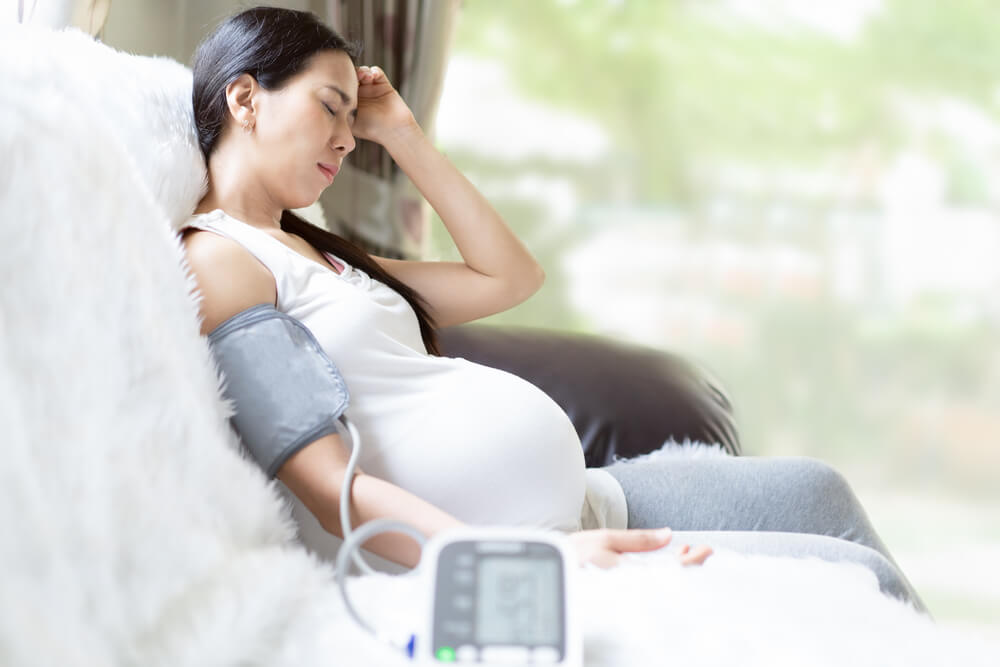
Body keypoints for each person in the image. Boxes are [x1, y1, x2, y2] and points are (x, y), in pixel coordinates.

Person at [179, 6, 926, 612]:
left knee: (817, 489)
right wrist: (531, 560)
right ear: (245, 98)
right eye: (331, 109)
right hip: (518, 545)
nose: (347, 138)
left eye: (353, 118)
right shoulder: (223, 260)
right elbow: (328, 489)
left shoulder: (323, 252)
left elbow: (508, 274)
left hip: (585, 503)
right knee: (862, 577)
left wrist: (402, 134)